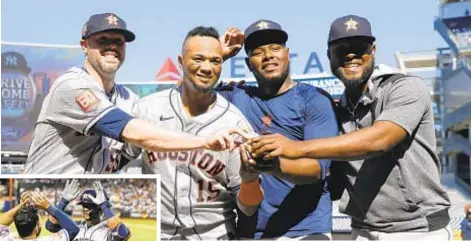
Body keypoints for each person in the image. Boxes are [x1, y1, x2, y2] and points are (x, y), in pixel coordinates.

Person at [249, 15, 452, 240]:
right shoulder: (339, 108)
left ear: (373, 50)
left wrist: (296, 148)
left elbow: (378, 141)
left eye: (359, 47)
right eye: (341, 48)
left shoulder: (405, 87)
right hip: (362, 230)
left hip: (417, 230)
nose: (351, 55)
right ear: (329, 55)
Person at [23, 12, 246, 174]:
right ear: (84, 45)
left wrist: (210, 61)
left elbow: (172, 100)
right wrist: (203, 141)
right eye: (103, 40)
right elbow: (130, 130)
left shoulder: (128, 99)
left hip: (82, 202)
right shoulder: (71, 86)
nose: (112, 46)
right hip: (42, 194)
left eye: (118, 41)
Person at [124, 26, 263, 240]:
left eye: (215, 61)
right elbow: (117, 162)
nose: (207, 68)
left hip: (213, 234)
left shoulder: (235, 123)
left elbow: (248, 208)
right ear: (181, 62)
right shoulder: (148, 109)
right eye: (198, 59)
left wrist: (250, 179)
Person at [217, 20, 338, 239]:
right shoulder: (237, 96)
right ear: (248, 63)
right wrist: (219, 55)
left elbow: (316, 170)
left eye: (275, 48)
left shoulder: (314, 99)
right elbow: (183, 96)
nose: (268, 56)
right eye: (258, 52)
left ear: (287, 53)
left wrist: (273, 165)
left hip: (305, 230)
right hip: (250, 230)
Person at [46, 180, 131, 241]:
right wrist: (63, 202)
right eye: (83, 205)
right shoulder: (74, 226)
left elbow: (123, 235)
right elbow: (50, 226)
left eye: (90, 206)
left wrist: (105, 206)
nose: (85, 209)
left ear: (100, 208)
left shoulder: (108, 230)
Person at [0, 191, 80, 241]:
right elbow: (73, 229)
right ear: (36, 229)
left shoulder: (5, 238)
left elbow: (1, 223)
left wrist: (21, 205)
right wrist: (49, 207)